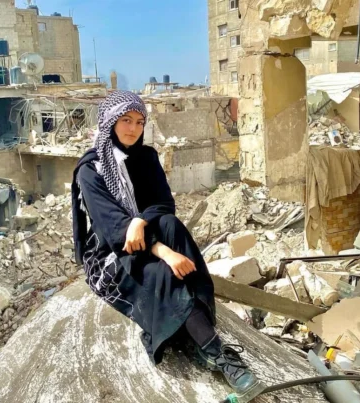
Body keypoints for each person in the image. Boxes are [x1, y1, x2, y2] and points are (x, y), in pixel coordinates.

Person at [71, 91, 264, 398]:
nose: (133, 129)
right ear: (109, 122)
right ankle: (216, 352)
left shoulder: (145, 157)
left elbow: (163, 203)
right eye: (125, 121)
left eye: (139, 121)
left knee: (170, 225)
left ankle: (197, 324)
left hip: (141, 234)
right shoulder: (90, 170)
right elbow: (111, 227)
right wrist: (163, 251)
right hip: (110, 250)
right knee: (164, 275)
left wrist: (140, 220)